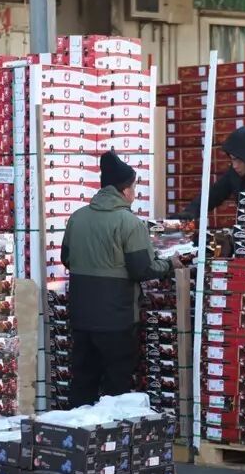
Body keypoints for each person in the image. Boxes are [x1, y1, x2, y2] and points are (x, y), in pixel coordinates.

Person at [61, 151, 181, 407]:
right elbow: (142, 269)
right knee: (117, 385)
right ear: (125, 190)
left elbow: (67, 259)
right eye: (134, 188)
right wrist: (170, 263)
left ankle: (74, 428)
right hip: (117, 319)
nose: (135, 193)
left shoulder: (77, 218)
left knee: (83, 381)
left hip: (81, 317)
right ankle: (112, 432)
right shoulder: (130, 223)